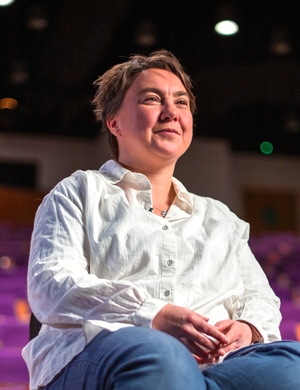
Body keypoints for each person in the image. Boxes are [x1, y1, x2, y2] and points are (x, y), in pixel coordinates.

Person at [22, 49, 300, 390]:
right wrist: (151, 314)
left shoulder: (220, 218)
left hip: (215, 368)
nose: (171, 112)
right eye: (152, 99)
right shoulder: (79, 191)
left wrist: (247, 326)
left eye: (181, 102)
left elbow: (260, 299)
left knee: (291, 364)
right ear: (114, 122)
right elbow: (52, 284)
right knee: (163, 357)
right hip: (102, 353)